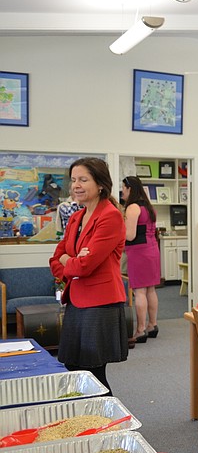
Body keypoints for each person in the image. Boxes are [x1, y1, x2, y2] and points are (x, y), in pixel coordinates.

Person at [49, 157, 128, 395]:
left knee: (94, 372)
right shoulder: (76, 217)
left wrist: (70, 260)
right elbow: (55, 258)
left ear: (100, 184)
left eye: (83, 179)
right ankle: (93, 422)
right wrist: (70, 260)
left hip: (100, 303)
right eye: (73, 180)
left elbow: (86, 266)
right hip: (76, 300)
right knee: (73, 365)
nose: (76, 185)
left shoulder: (110, 216)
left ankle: (109, 424)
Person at [120, 175, 161, 344]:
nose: (122, 191)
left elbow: (130, 235)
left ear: (130, 188)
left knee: (139, 291)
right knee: (150, 289)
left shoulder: (132, 208)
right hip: (152, 250)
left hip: (138, 252)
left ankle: (140, 329)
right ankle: (152, 325)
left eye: (123, 188)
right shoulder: (149, 207)